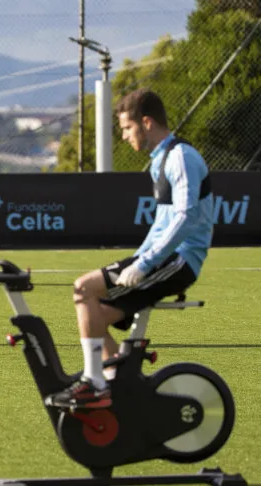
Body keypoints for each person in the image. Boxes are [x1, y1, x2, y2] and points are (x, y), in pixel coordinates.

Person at [47, 88, 214, 409]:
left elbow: (186, 217)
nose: (123, 136)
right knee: (90, 306)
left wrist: (144, 263)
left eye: (126, 127)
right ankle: (117, 386)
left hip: (179, 261)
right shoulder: (161, 159)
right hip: (164, 259)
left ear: (147, 122)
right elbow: (162, 225)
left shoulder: (180, 157)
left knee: (84, 289)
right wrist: (138, 259)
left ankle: (95, 383)